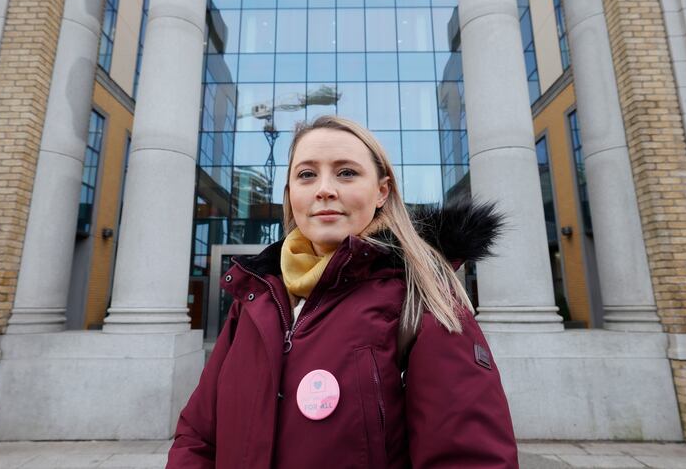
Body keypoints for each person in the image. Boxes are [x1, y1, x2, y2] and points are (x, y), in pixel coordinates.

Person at [166, 116, 518, 468]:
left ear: (382, 191)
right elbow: (198, 436)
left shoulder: (423, 298)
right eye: (306, 175)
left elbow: (470, 459)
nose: (324, 189)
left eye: (346, 172)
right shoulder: (255, 299)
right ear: (291, 196)